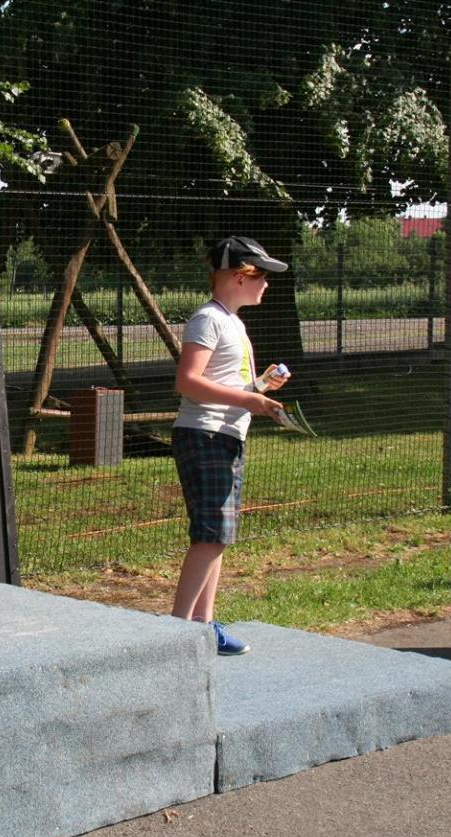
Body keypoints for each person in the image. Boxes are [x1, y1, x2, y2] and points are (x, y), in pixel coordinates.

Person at [170, 236, 291, 656]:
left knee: (219, 536)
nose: (266, 285)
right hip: (204, 434)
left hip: (225, 435)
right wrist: (249, 400)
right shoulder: (208, 319)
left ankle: (203, 627)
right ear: (241, 277)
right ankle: (177, 633)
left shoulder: (232, 322)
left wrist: (260, 387)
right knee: (210, 535)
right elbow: (188, 382)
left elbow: (224, 384)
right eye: (262, 277)